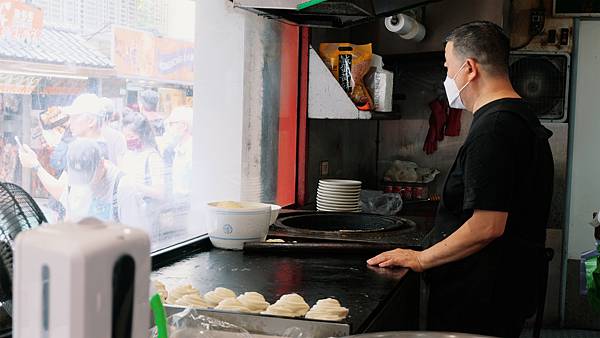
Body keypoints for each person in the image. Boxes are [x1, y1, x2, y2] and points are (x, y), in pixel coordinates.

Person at [367, 21, 554, 337]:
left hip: (481, 298)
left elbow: (487, 225)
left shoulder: (495, 129)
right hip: (501, 290)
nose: (447, 78)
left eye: (447, 68)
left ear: (469, 68)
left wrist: (422, 258)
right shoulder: (518, 117)